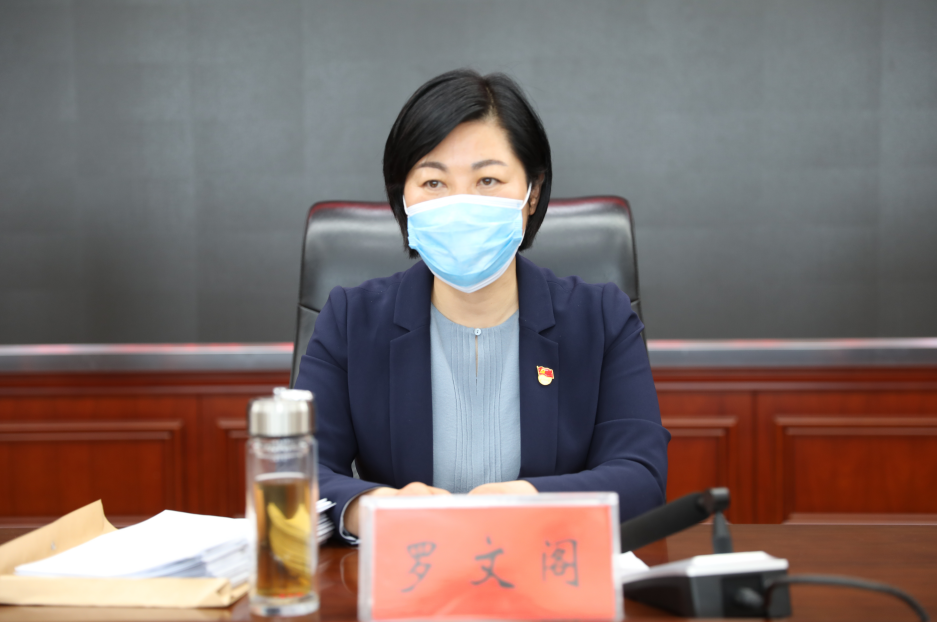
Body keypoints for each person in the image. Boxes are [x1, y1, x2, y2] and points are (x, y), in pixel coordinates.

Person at [294, 69, 669, 543]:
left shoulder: (601, 318)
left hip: (546, 573)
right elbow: (296, 472)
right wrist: (372, 509)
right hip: (409, 574)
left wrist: (531, 502)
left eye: (488, 179)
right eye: (433, 182)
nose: (460, 205)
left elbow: (641, 475)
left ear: (532, 193)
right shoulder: (351, 320)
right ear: (402, 197)